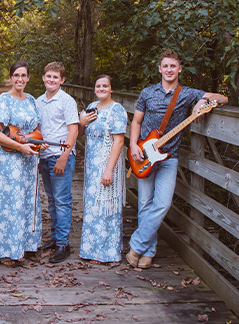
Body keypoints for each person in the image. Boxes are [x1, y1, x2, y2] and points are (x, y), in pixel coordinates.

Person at [127, 49, 228, 269]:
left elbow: (223, 97)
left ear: (179, 68)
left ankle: (136, 245)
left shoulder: (187, 94)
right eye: (166, 66)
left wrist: (203, 100)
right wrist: (133, 144)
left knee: (162, 204)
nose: (169, 70)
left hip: (169, 158)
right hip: (144, 154)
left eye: (173, 66)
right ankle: (148, 252)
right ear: (160, 69)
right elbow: (136, 122)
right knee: (145, 203)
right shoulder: (147, 93)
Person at [0, 61, 42, 266]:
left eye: (24, 75)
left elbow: (35, 131)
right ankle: (7, 250)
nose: (20, 79)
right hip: (11, 159)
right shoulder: (4, 100)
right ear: (10, 78)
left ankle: (25, 245)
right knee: (11, 201)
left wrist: (39, 144)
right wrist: (19, 147)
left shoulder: (31, 100)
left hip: (29, 158)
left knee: (28, 199)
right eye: (16, 75)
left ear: (28, 78)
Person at [78, 75, 127, 264]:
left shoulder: (117, 110)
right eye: (98, 86)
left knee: (106, 207)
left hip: (108, 165)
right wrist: (81, 123)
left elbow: (119, 141)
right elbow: (82, 134)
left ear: (111, 89)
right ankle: (91, 250)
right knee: (93, 206)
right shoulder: (92, 107)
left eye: (105, 86)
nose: (101, 88)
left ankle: (106, 253)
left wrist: (108, 170)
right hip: (91, 166)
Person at [36, 62, 79, 263]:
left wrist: (63, 156)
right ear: (43, 78)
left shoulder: (67, 101)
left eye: (56, 77)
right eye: (48, 76)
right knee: (52, 200)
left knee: (62, 200)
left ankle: (63, 244)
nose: (51, 80)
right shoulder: (38, 101)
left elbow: (73, 130)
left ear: (62, 80)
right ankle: (55, 238)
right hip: (44, 156)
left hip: (61, 156)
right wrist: (38, 147)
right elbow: (38, 129)